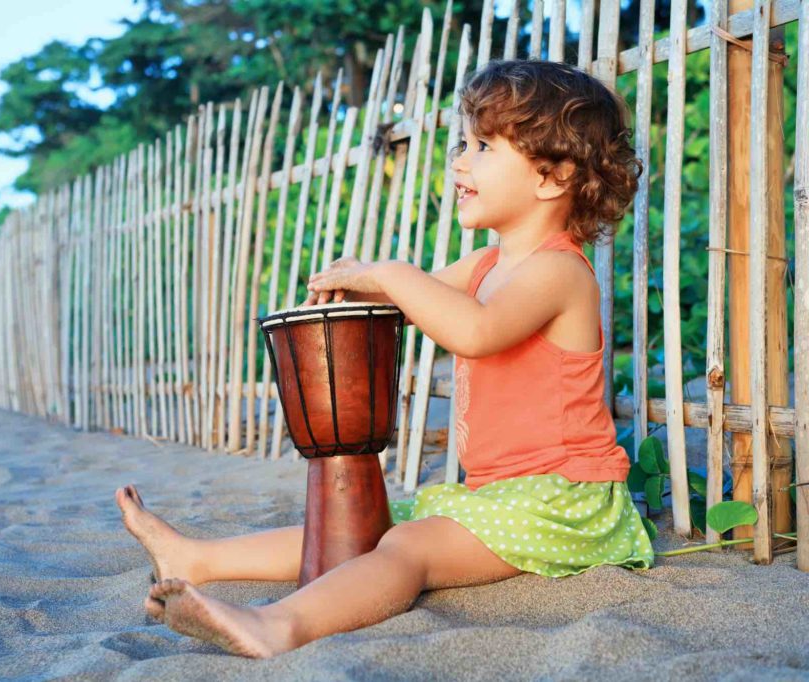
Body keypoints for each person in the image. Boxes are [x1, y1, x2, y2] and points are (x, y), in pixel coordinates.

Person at [115, 59, 655, 659]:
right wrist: (352, 282)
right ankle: (197, 558)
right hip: (500, 498)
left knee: (407, 550)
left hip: (563, 503)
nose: (458, 162)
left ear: (551, 177)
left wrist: (392, 274)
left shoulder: (558, 271)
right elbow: (405, 302)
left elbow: (474, 331)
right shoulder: (484, 266)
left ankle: (279, 626)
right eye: (462, 143)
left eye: (482, 147)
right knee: (362, 525)